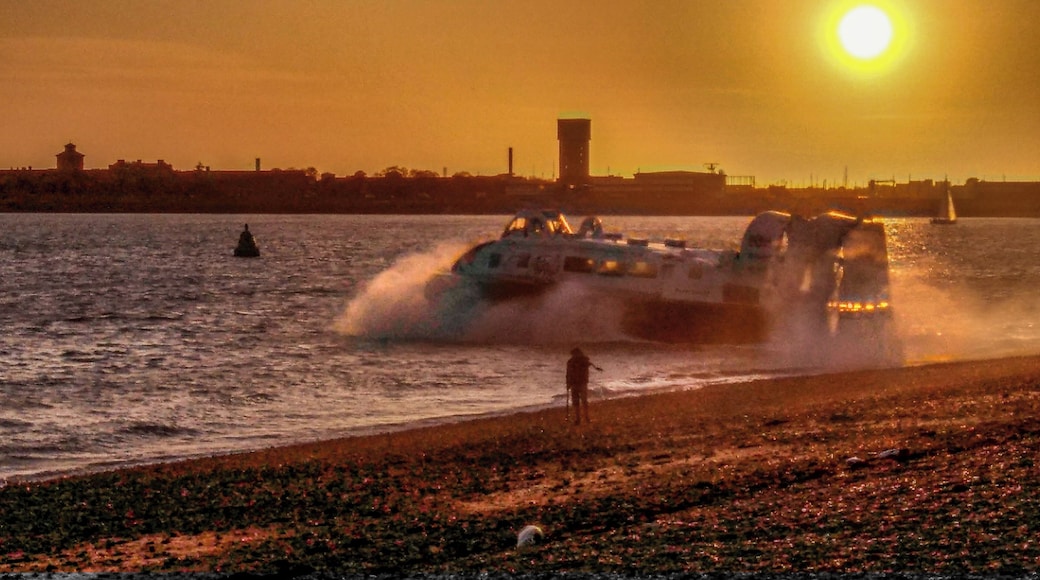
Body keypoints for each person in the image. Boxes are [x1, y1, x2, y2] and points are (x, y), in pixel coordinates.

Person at [566, 347, 601, 425]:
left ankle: (582, 418)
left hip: (579, 383)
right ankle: (582, 418)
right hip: (579, 383)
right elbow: (568, 374)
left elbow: (568, 374)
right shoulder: (581, 361)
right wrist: (568, 383)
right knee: (580, 402)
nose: (573, 356)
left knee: (580, 402)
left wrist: (568, 383)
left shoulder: (574, 361)